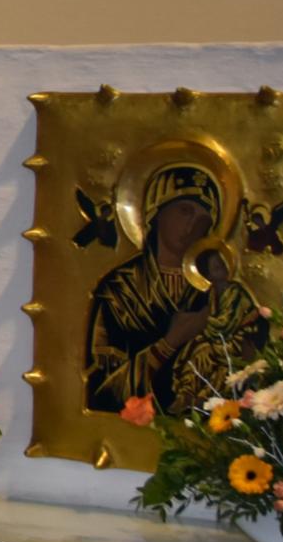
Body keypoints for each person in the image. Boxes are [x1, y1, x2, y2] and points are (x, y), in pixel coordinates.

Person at [85, 163, 267, 414]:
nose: (194, 225)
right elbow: (99, 393)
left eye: (203, 219)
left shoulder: (218, 291)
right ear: (155, 212)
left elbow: (251, 364)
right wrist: (168, 344)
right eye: (185, 211)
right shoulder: (119, 290)